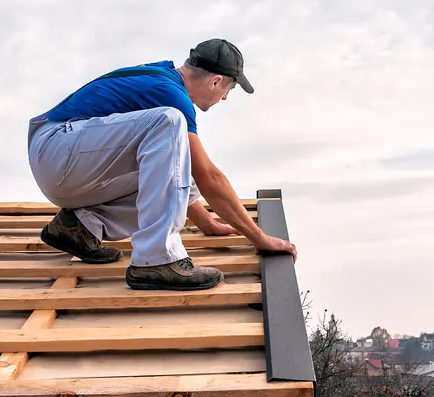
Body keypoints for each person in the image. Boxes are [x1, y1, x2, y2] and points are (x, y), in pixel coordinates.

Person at [27, 38, 296, 291]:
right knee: (170, 122)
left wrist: (208, 224)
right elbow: (208, 177)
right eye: (229, 89)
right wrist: (259, 237)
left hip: (63, 159)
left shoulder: (163, 78)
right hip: (57, 149)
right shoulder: (171, 95)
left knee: (174, 153)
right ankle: (156, 259)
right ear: (216, 81)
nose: (224, 98)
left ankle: (79, 226)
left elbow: (175, 173)